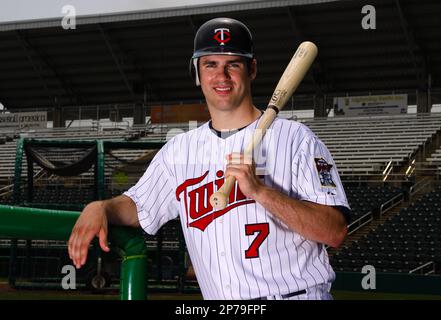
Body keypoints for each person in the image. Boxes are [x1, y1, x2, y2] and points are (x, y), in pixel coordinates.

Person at [68, 17, 351, 300]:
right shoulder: (179, 151)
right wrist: (101, 207)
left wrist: (260, 192)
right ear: (197, 73)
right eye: (210, 64)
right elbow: (138, 207)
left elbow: (334, 231)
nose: (222, 76)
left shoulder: (295, 139)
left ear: (251, 69)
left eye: (233, 64)